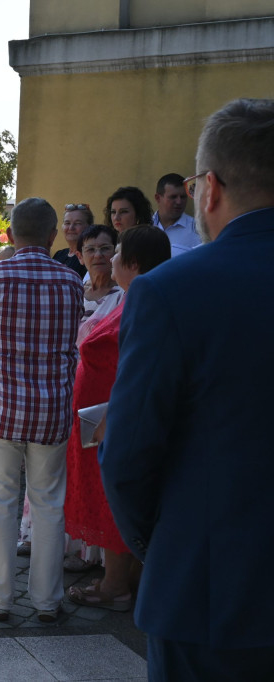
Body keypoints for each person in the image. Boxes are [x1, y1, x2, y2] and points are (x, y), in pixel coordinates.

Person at [101, 98, 274, 680]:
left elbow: (126, 457)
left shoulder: (172, 292)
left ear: (212, 188)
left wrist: (165, 548)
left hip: (210, 595)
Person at [0, 197, 83, 624]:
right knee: (49, 504)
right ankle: (48, 601)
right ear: (53, 236)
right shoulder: (71, 282)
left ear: (11, 235)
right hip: (51, 411)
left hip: (0, 408)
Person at [64, 226, 170, 612]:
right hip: (103, 421)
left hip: (110, 423)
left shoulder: (143, 299)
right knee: (111, 499)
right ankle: (125, 579)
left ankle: (114, 588)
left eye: (117, 249)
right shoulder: (134, 296)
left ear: (134, 262)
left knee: (113, 500)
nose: (109, 257)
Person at [75, 224, 122, 345]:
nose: (98, 255)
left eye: (105, 248)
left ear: (115, 252)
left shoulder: (124, 294)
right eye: (90, 250)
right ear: (80, 257)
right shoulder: (75, 292)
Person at [152, 173, 201, 256]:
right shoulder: (145, 225)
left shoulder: (197, 231)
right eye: (173, 197)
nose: (179, 202)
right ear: (158, 198)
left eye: (183, 197)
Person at [53, 203, 92, 278]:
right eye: (67, 223)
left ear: (89, 227)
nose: (71, 227)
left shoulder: (89, 256)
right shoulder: (59, 254)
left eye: (77, 223)